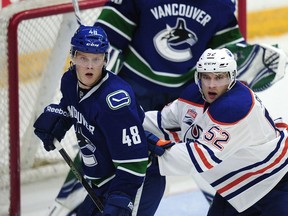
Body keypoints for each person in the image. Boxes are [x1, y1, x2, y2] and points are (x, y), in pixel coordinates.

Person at [52, 0, 288, 214]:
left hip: (189, 90)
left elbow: (226, 51)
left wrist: (241, 53)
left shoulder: (218, 5)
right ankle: (68, 207)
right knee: (99, 142)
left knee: (208, 153)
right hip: (137, 88)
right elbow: (106, 44)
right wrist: (94, 101)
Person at [144, 48, 288, 215]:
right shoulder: (192, 97)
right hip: (238, 187)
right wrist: (127, 120)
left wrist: (149, 150)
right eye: (206, 77)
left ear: (232, 77)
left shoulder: (237, 106)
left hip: (277, 183)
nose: (211, 85)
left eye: (219, 77)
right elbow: (162, 122)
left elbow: (196, 158)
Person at [33, 25, 150, 216]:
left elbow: (134, 162)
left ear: (105, 59)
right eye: (83, 58)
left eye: (96, 59)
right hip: (100, 182)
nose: (89, 65)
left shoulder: (115, 101)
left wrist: (120, 199)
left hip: (133, 183)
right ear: (73, 56)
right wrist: (58, 120)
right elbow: (71, 105)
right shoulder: (69, 82)